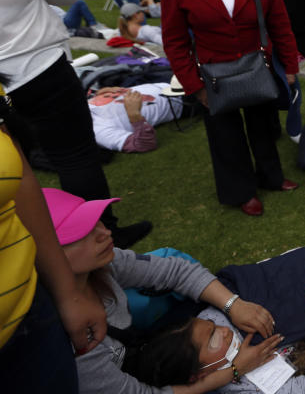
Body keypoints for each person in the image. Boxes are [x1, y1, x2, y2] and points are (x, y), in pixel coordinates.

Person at [42, 187, 285, 394]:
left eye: (97, 221)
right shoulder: (64, 340)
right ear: (49, 255)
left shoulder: (107, 264)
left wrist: (234, 305)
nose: (105, 233)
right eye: (84, 233)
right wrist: (232, 371)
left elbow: (177, 271)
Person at [0, 0, 151, 248]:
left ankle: (63, 237)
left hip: (10, 80)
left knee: (25, 168)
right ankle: (102, 235)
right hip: (38, 67)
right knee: (75, 158)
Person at [161, 0, 301, 217]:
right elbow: (174, 41)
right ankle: (240, 191)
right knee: (225, 135)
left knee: (264, 127)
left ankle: (271, 177)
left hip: (256, 67)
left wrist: (289, 67)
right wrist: (194, 86)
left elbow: (280, 24)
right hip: (212, 74)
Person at [0, 118, 108, 393]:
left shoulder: (114, 267)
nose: (106, 233)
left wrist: (68, 294)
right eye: (84, 232)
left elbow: (22, 178)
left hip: (31, 317)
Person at [87, 84, 182, 153]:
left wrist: (100, 93)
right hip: (180, 101)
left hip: (165, 83)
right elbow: (145, 144)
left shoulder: (81, 107)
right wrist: (134, 115)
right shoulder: (99, 133)